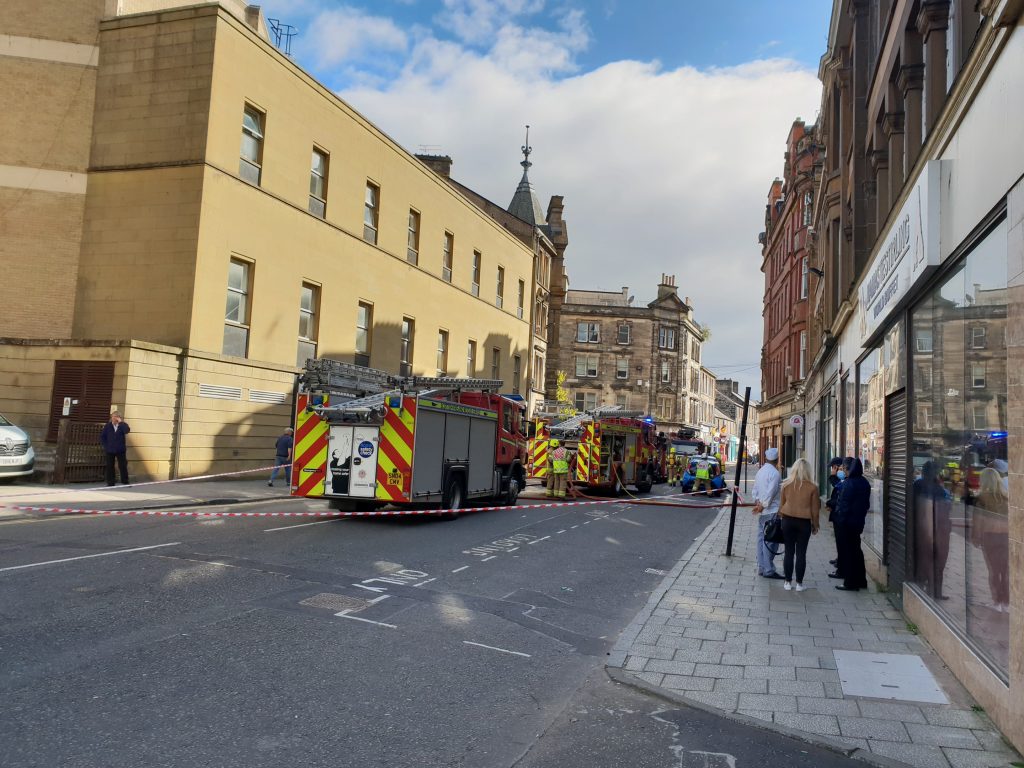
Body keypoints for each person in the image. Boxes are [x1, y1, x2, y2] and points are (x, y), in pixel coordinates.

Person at [778, 457, 820, 591]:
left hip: (787, 520)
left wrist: (781, 517)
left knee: (789, 552)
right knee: (801, 553)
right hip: (804, 522)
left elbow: (782, 504)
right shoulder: (813, 487)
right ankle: (799, 584)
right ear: (808, 471)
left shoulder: (786, 484)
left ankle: (787, 582)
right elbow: (815, 510)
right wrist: (815, 525)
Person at [971, 467, 1009, 612]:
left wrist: (975, 537)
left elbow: (978, 520)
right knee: (1005, 570)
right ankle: (1006, 602)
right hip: (1005, 537)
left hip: (990, 537)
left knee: (993, 570)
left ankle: (997, 602)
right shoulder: (1006, 498)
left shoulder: (981, 498)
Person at [913, 460, 951, 599]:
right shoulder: (939, 489)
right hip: (936, 530)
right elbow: (942, 510)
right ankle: (936, 591)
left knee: (924, 560)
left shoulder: (917, 485)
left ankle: (922, 587)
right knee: (937, 562)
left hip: (922, 529)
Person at [834, 457, 870, 591]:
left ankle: (850, 582)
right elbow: (866, 504)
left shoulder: (849, 483)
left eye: (845, 469)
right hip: (858, 521)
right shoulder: (865, 482)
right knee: (857, 551)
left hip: (847, 523)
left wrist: (840, 520)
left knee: (849, 552)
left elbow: (844, 504)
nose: (843, 471)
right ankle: (861, 580)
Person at [751, 447, 783, 579]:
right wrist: (762, 506)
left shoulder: (761, 471)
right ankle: (768, 569)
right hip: (771, 510)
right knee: (770, 540)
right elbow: (771, 493)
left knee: (761, 539)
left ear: (766, 458)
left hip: (762, 510)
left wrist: (757, 502)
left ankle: (761, 567)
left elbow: (755, 490)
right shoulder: (775, 474)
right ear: (777, 459)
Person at [824, 457, 845, 574]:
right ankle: (840, 559)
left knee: (842, 541)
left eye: (833, 468)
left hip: (841, 516)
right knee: (839, 540)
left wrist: (833, 476)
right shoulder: (842, 480)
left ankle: (841, 564)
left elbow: (839, 495)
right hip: (838, 515)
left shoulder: (844, 481)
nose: (832, 470)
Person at [99, 410, 131, 487]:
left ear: (119, 418)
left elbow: (126, 431)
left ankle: (125, 481)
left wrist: (121, 422)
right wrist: (106, 446)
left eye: (116, 417)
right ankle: (110, 482)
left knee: (122, 465)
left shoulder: (122, 425)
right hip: (110, 449)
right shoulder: (108, 426)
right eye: (113, 416)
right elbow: (103, 437)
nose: (114, 418)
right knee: (110, 466)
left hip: (120, 449)